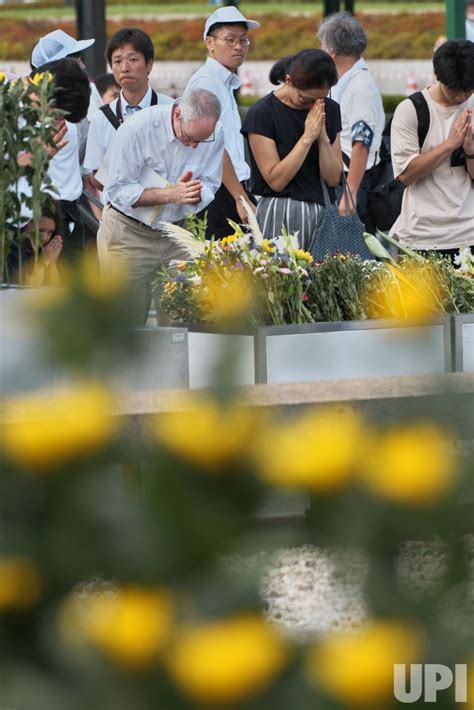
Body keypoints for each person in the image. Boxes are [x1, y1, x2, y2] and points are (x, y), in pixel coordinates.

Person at [97, 88, 225, 323]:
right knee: (125, 319)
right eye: (189, 138)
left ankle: (176, 360)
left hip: (176, 231)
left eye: (202, 139)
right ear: (177, 114)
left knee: (183, 316)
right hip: (128, 231)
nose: (195, 146)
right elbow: (116, 191)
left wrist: (194, 193)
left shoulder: (215, 133)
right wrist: (170, 194)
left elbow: (211, 182)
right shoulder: (138, 128)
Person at [241, 49, 342, 248]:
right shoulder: (262, 113)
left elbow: (332, 178)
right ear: (289, 81)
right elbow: (276, 180)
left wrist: (322, 138)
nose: (313, 105)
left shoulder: (329, 109)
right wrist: (307, 138)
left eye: (320, 98)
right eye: (306, 99)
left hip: (323, 213)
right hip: (280, 213)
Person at [390, 39, 474, 255]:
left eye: (468, 90)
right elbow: (406, 176)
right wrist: (449, 145)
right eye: (455, 90)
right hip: (422, 236)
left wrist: (470, 152)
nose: (461, 96)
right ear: (438, 76)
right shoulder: (411, 110)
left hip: (469, 233)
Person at [184, 6, 260, 239]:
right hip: (219, 193)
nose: (238, 46)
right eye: (230, 39)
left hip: (231, 188)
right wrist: (239, 196)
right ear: (210, 43)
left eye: (243, 40)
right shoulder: (206, 83)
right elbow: (213, 145)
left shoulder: (224, 82)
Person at [317, 12, 385, 227]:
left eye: (322, 46)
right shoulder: (348, 81)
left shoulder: (359, 88)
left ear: (333, 52)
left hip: (353, 182)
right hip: (347, 180)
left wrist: (351, 192)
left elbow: (361, 141)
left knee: (355, 254)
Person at [84, 28, 173, 186]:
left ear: (149, 64)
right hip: (118, 208)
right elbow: (96, 178)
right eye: (117, 61)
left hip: (167, 205)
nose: (124, 68)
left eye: (132, 60)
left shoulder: (171, 110)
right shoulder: (101, 118)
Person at [29, 58, 91, 264]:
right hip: (35, 214)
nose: (60, 120)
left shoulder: (65, 119)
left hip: (69, 212)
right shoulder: (13, 116)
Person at [7, 202, 63, 287]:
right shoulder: (13, 247)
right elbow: (26, 292)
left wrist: (52, 262)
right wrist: (44, 261)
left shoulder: (44, 250)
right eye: (40, 230)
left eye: (50, 232)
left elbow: (56, 290)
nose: (45, 237)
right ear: (25, 224)